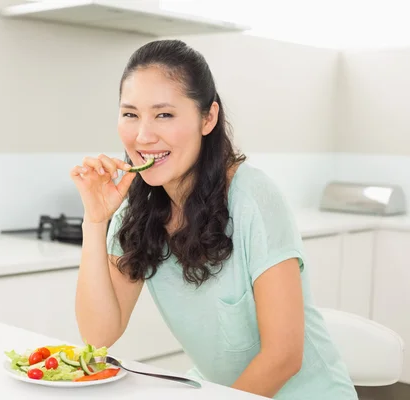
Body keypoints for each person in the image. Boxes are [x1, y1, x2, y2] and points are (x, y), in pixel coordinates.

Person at [69, 39, 358, 399]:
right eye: (130, 114)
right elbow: (99, 337)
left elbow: (284, 357)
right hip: (223, 392)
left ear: (208, 118)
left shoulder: (253, 197)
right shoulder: (137, 206)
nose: (143, 136)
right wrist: (95, 223)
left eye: (164, 114)